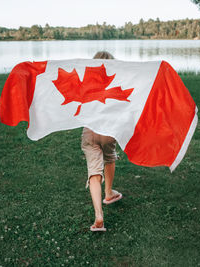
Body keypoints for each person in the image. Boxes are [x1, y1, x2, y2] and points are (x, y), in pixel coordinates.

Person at [81, 51, 123, 232]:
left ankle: (99, 215)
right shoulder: (116, 83)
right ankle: (109, 193)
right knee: (110, 156)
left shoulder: (86, 85)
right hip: (109, 130)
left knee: (94, 172)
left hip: (90, 132)